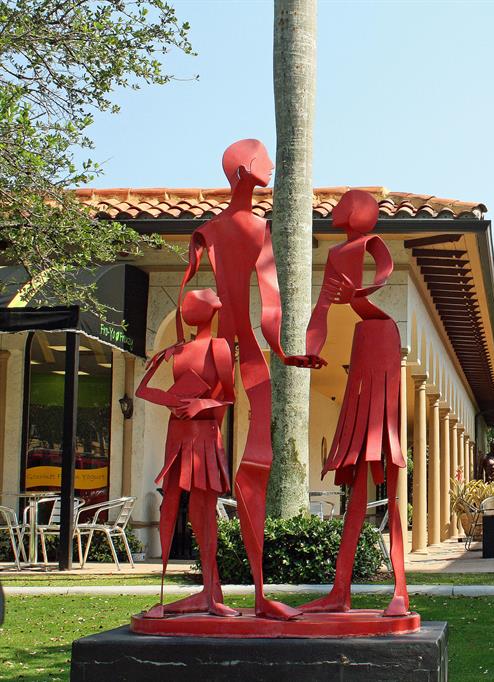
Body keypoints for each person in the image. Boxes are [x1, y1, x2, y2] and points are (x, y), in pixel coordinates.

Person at [172, 139, 320, 620]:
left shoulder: (219, 231)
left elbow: (262, 303)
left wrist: (286, 354)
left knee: (254, 464)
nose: (271, 167)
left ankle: (250, 593)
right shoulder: (233, 231)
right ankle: (214, 591)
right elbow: (267, 304)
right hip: (235, 354)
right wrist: (280, 353)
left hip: (230, 353)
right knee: (210, 477)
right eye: (263, 161)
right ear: (245, 169)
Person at [298, 189, 409, 617]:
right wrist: (310, 349)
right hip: (364, 350)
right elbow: (322, 309)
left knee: (389, 476)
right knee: (357, 483)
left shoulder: (372, 245)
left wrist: (357, 294)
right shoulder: (336, 255)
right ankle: (339, 591)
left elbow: (378, 284)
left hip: (382, 343)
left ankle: (400, 590)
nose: (337, 208)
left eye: (346, 203)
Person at [136, 289, 236, 618]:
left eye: (194, 304)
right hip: (178, 434)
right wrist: (169, 395)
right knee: (172, 505)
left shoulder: (219, 348)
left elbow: (229, 397)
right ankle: (173, 593)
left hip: (204, 435)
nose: (187, 309)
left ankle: (212, 592)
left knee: (203, 510)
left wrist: (201, 404)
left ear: (209, 310)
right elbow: (143, 388)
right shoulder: (177, 351)